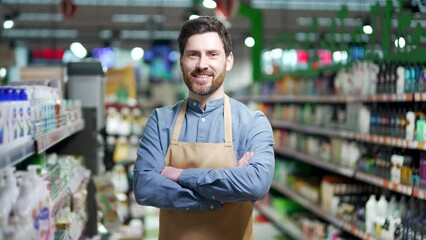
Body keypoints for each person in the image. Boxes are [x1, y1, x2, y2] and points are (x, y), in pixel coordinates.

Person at [133, 16, 275, 240]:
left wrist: (180, 175)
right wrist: (218, 197)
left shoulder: (252, 122)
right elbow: (145, 187)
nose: (202, 64)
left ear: (228, 61)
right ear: (181, 61)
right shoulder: (160, 120)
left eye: (212, 54)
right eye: (193, 54)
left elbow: (256, 184)